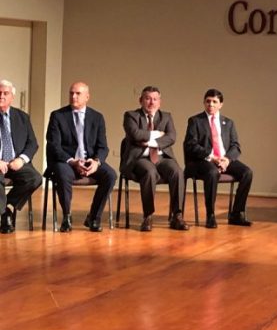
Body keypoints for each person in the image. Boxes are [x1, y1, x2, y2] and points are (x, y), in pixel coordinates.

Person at [46, 81, 116, 232]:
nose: (73, 96)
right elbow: (54, 145)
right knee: (62, 173)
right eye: (71, 93)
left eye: (78, 93)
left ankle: (94, 217)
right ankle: (67, 216)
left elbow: (103, 147)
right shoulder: (58, 116)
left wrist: (96, 162)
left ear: (87, 97)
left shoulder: (97, 117)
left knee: (110, 175)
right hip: (67, 161)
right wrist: (73, 161)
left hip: (89, 160)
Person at [121, 86, 189, 232]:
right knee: (150, 172)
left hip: (162, 157)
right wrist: (157, 134)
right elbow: (135, 134)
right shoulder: (131, 116)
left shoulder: (166, 117)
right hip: (140, 158)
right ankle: (148, 216)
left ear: (159, 102)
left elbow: (171, 137)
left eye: (155, 99)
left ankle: (177, 216)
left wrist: (150, 142)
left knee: (177, 172)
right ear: (141, 100)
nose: (151, 102)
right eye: (148, 99)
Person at [184, 88, 254, 228]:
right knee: (212, 172)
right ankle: (210, 215)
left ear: (221, 104)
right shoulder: (195, 121)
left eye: (214, 102)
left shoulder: (228, 123)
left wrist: (227, 159)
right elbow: (191, 145)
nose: (211, 104)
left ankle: (236, 213)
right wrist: (212, 158)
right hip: (204, 160)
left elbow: (235, 146)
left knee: (247, 172)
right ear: (204, 103)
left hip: (224, 159)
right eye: (208, 101)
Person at [0, 79, 42, 234]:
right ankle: (5, 216)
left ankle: (7, 207)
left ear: (12, 97)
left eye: (6, 93)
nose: (1, 96)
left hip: (16, 162)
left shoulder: (22, 117)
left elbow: (32, 143)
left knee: (35, 178)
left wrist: (21, 159)